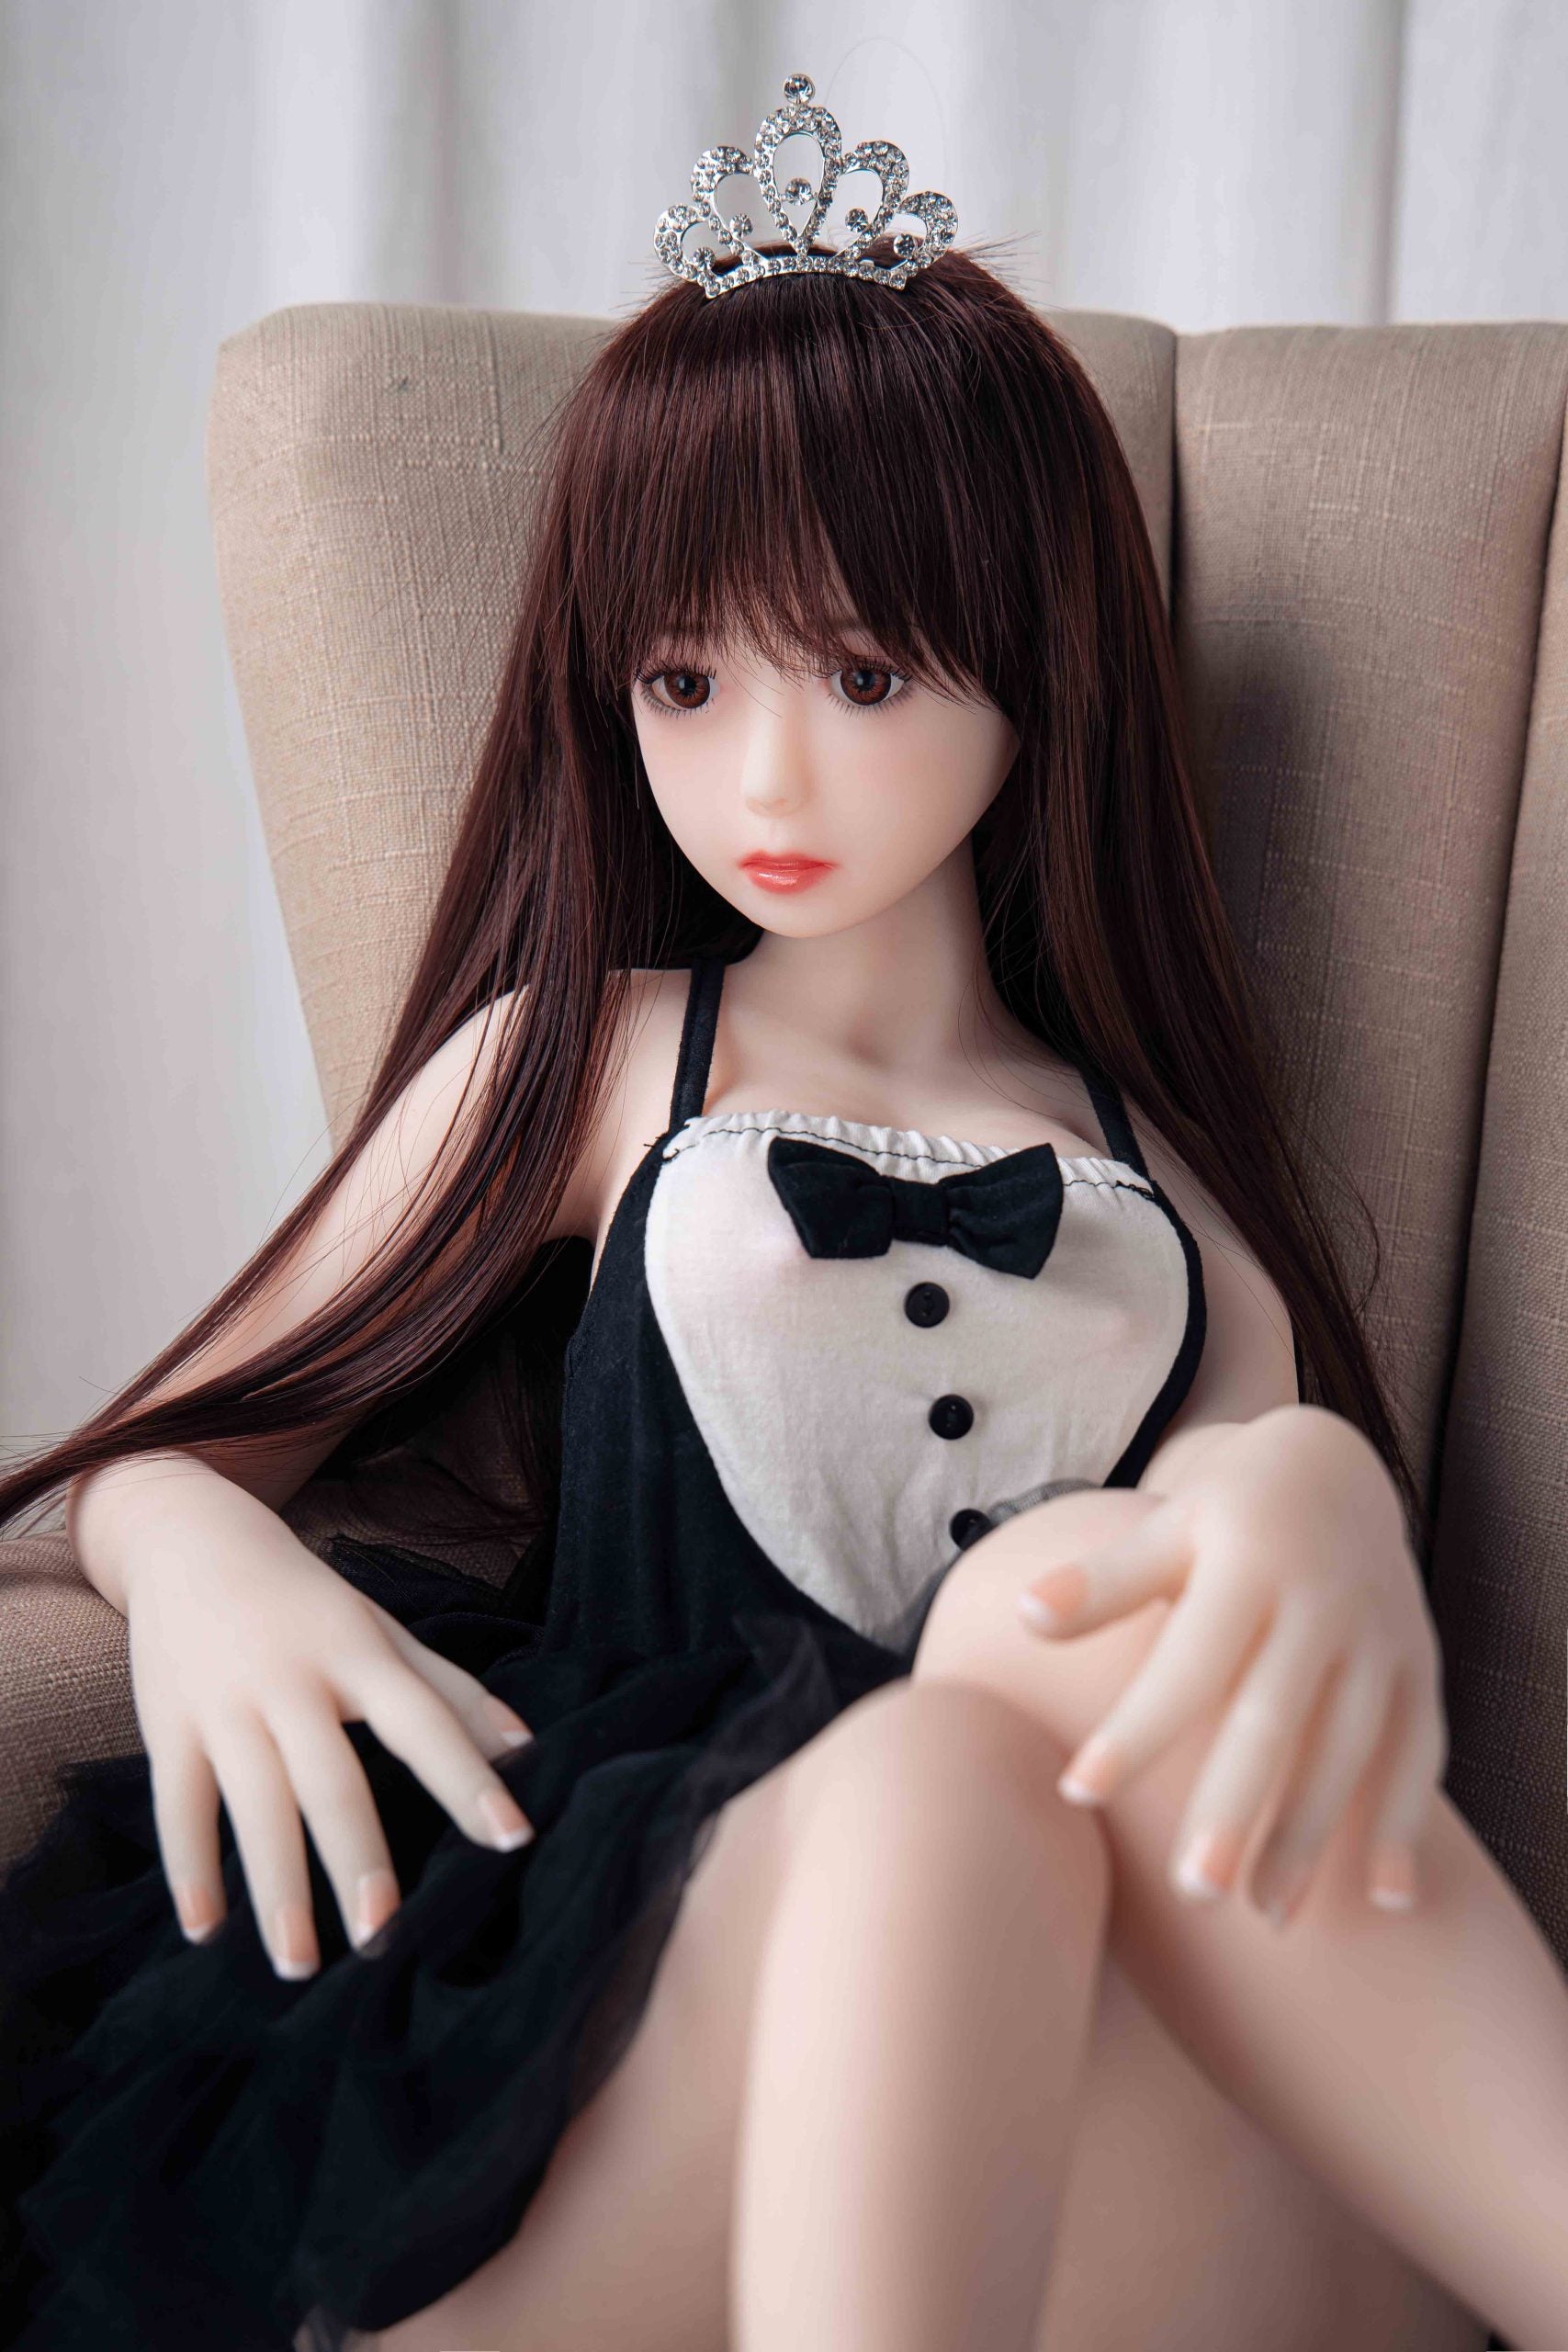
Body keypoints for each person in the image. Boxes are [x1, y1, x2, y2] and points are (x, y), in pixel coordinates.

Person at [1, 68, 1565, 2352]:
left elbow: (1217, 1625)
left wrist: (1315, 1494)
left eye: (859, 672)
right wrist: (204, 1561)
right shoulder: (589, 1058)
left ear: (1033, 667)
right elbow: (156, 1451)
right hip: (648, 2016)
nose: (765, 774)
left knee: (1046, 1627)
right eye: (681, 677)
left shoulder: (1151, 1178)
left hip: (1101, 2105)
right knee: (942, 1758)